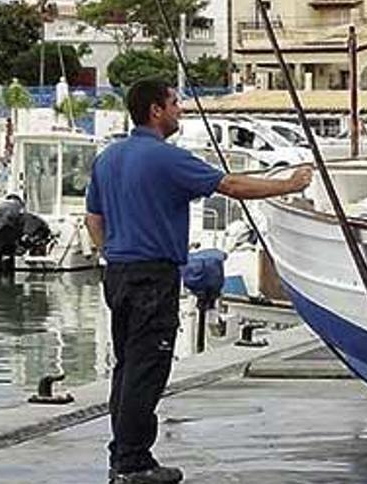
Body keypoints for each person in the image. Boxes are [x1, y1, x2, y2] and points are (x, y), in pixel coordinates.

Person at [85, 78, 313, 484]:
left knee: (127, 367)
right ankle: (134, 463)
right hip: (153, 277)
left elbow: (93, 219)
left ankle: (121, 454)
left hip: (117, 274)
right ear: (155, 110)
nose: (180, 110)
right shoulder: (166, 158)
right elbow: (231, 184)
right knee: (147, 369)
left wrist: (111, 254)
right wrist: (288, 185)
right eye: (175, 103)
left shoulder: (108, 158)